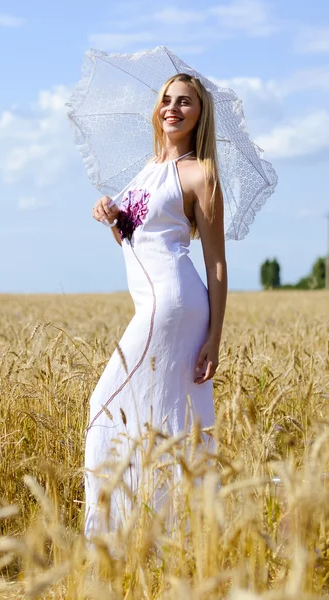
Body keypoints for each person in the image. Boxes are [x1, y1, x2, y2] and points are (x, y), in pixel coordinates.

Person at [84, 73, 227, 540]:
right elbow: (135, 239)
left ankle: (114, 534)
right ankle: (154, 537)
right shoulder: (145, 170)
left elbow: (217, 262)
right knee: (158, 415)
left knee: (106, 403)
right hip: (152, 300)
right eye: (167, 100)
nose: (173, 108)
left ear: (200, 115)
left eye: (185, 102)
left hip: (175, 302)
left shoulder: (199, 173)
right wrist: (109, 213)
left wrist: (215, 338)